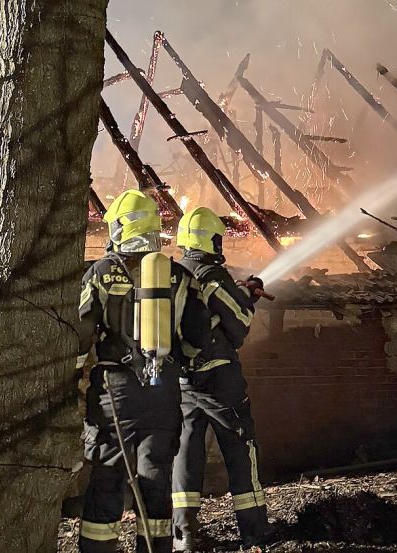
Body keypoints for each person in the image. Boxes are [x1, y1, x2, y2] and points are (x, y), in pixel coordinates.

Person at [76, 190, 212, 553]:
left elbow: (81, 331)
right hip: (163, 393)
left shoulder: (101, 273)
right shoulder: (180, 277)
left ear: (120, 228)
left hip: (114, 393)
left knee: (106, 476)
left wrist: (74, 377)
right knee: (155, 480)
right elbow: (197, 338)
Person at [170, 207, 271, 551]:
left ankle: (182, 534)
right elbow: (239, 323)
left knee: (185, 452)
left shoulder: (173, 275)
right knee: (241, 449)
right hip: (220, 381)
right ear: (210, 239)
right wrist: (249, 296)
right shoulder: (212, 274)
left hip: (183, 382)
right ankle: (253, 533)